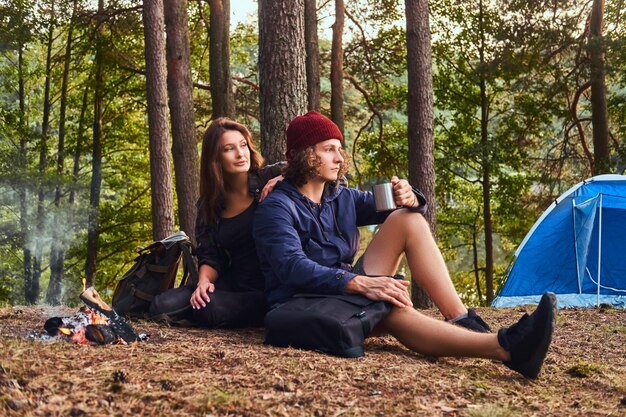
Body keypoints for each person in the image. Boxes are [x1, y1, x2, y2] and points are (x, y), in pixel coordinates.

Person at [253, 110, 556, 379]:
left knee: (406, 219)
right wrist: (359, 283)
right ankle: (508, 347)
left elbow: (392, 208)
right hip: (303, 301)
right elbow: (291, 267)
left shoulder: (340, 197)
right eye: (329, 150)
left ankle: (462, 319)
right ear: (306, 154)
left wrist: (411, 197)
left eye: (339, 149)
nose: (339, 158)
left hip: (342, 292)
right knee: (392, 308)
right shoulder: (277, 207)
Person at [149, 117, 282, 327]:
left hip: (267, 287)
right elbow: (210, 255)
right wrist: (203, 282)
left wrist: (287, 177)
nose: (240, 154)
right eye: (229, 149)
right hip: (233, 282)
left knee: (209, 309)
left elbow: (321, 171)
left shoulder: (269, 177)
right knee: (160, 305)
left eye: (243, 145)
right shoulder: (209, 205)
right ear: (215, 158)